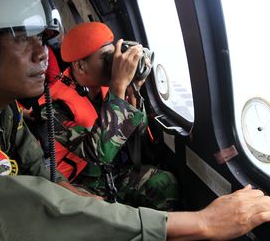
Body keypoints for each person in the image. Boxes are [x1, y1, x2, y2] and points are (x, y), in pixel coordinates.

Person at [0, 0, 270, 240]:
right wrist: (202, 224)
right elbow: (38, 207)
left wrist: (132, 86)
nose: (43, 56)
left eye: (44, 39)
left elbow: (40, 175)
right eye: (22, 37)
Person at [47, 22, 179, 210]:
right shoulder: (52, 105)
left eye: (114, 55)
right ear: (80, 66)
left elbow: (138, 137)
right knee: (102, 213)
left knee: (164, 183)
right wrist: (118, 87)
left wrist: (133, 90)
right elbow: (98, 154)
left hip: (111, 172)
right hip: (76, 184)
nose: (116, 63)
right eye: (107, 59)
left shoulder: (105, 86)